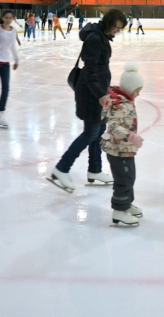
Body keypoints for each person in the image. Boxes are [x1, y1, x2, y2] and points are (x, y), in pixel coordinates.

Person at [47, 10, 126, 193]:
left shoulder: (102, 36)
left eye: (120, 28)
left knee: (99, 132)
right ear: (107, 22)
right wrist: (100, 94)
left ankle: (95, 170)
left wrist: (106, 89)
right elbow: (90, 70)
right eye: (115, 26)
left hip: (98, 91)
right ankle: (62, 168)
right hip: (91, 93)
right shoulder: (95, 38)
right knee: (91, 133)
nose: (116, 30)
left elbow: (98, 68)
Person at [101, 62, 145, 227]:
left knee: (129, 177)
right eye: (137, 91)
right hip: (117, 149)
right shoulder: (120, 104)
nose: (138, 94)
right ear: (130, 88)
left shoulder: (124, 99)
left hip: (124, 149)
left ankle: (127, 204)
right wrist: (131, 136)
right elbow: (112, 126)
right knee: (123, 180)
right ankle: (119, 210)